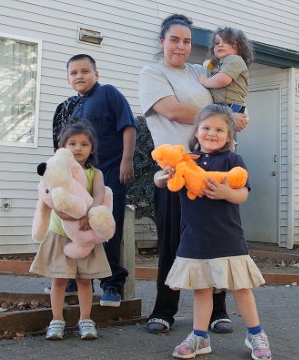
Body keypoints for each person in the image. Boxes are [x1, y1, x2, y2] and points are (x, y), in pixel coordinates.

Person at [138, 14, 248, 334]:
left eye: (187, 41)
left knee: (217, 240)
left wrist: (239, 114)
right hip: (175, 170)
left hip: (214, 168)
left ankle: (218, 311)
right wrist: (224, 116)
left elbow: (229, 93)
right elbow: (172, 109)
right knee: (173, 241)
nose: (181, 46)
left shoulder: (201, 71)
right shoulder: (153, 72)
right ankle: (164, 310)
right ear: (162, 42)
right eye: (174, 39)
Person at [156, 104, 271, 360]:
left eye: (219, 129)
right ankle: (200, 336)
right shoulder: (185, 160)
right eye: (206, 127)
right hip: (195, 239)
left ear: (229, 136)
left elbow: (243, 193)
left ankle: (256, 334)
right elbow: (159, 178)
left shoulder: (232, 160)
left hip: (227, 238)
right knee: (202, 289)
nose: (211, 133)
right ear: (197, 131)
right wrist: (163, 177)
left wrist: (226, 193)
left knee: (241, 288)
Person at [50, 54, 137, 307]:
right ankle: (71, 277)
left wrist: (127, 160)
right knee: (75, 225)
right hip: (81, 178)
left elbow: (128, 126)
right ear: (68, 78)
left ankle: (111, 284)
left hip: (111, 172)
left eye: (85, 71)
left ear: (96, 74)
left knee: (107, 226)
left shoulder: (108, 93)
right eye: (74, 73)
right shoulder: (72, 106)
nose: (79, 76)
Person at [30, 121, 112, 340]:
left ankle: (86, 320)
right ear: (62, 146)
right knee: (59, 280)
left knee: (85, 280)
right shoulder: (56, 170)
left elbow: (99, 195)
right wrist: (65, 214)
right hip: (60, 234)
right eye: (73, 143)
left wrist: (89, 214)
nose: (78, 148)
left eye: (84, 144)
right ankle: (57, 320)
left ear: (92, 148)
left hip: (86, 235)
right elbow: (52, 197)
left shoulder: (96, 173)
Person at [199, 26, 253, 114]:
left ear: (239, 47)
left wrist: (205, 81)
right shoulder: (220, 62)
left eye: (227, 42)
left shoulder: (234, 59)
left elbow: (223, 79)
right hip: (225, 105)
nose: (220, 44)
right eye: (217, 43)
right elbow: (208, 68)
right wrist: (209, 63)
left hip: (231, 106)